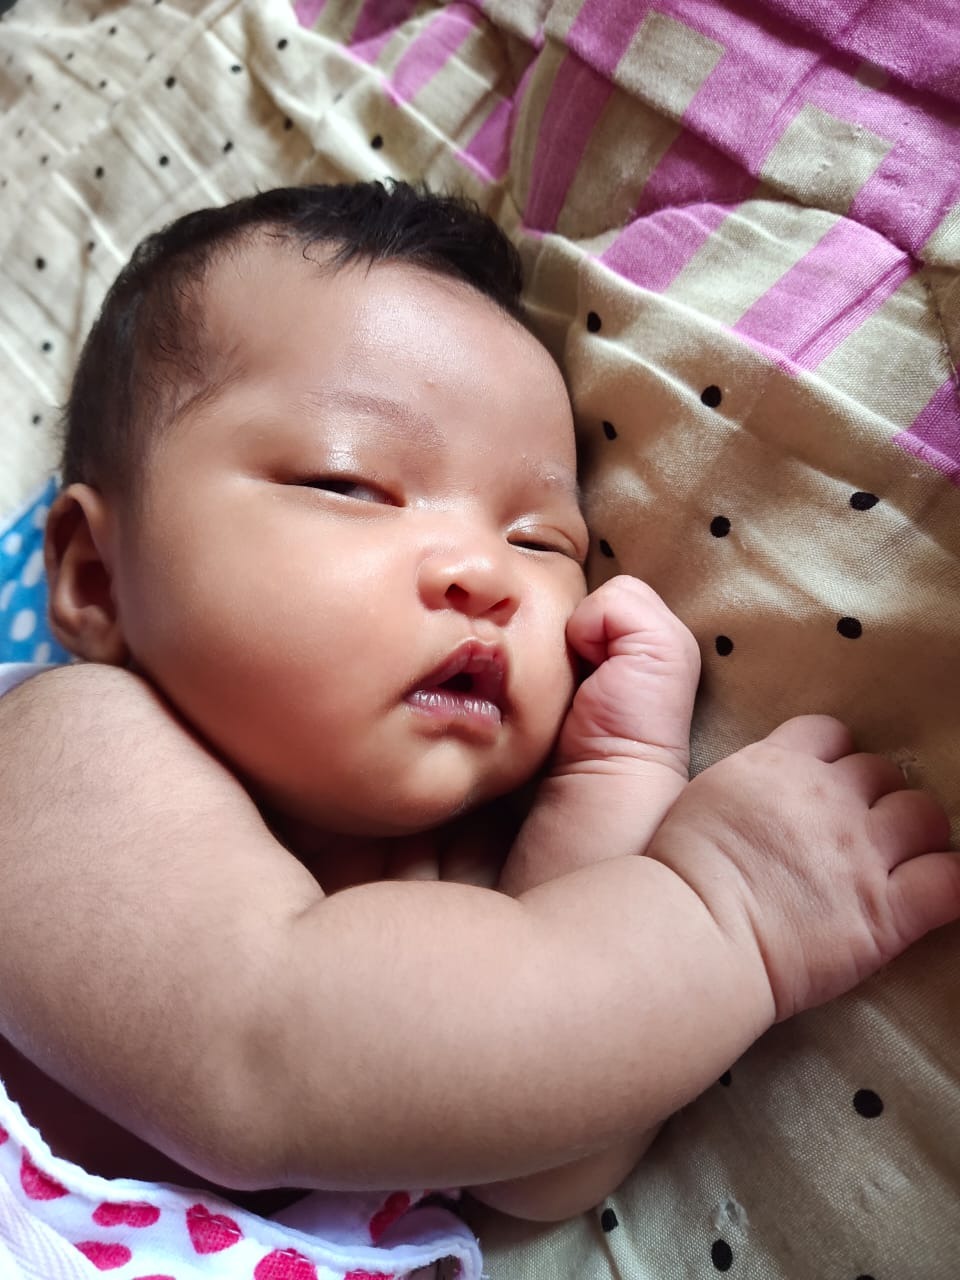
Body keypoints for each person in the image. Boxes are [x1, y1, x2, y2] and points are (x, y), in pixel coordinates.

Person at [0, 181, 956, 1280]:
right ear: (95, 576)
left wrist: (615, 774)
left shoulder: (451, 869)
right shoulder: (59, 747)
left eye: (544, 540)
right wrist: (723, 910)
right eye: (351, 483)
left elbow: (543, 1150)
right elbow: (265, 1051)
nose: (485, 572)